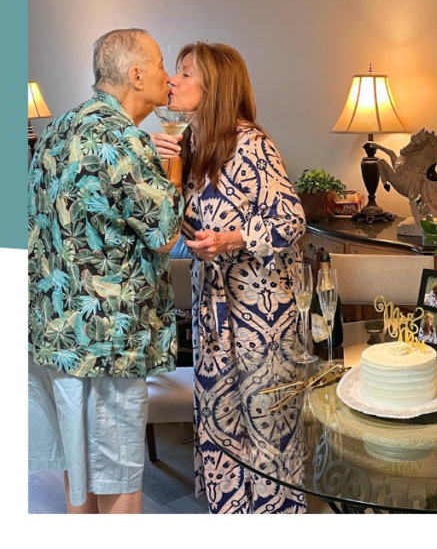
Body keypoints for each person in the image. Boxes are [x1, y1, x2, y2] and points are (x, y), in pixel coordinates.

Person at [28, 28, 183, 514]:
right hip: (109, 346)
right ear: (136, 75)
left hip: (58, 337)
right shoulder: (127, 141)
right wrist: (173, 169)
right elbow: (165, 235)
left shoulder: (57, 128)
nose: (167, 77)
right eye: (159, 65)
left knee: (81, 476)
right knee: (119, 480)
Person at [155, 42, 306, 515]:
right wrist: (169, 168)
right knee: (219, 422)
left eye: (183, 73)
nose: (171, 82)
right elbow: (172, 223)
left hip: (263, 310)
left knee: (266, 426)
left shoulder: (252, 144)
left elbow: (290, 219)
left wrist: (232, 239)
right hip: (213, 309)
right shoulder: (190, 144)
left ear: (214, 86)